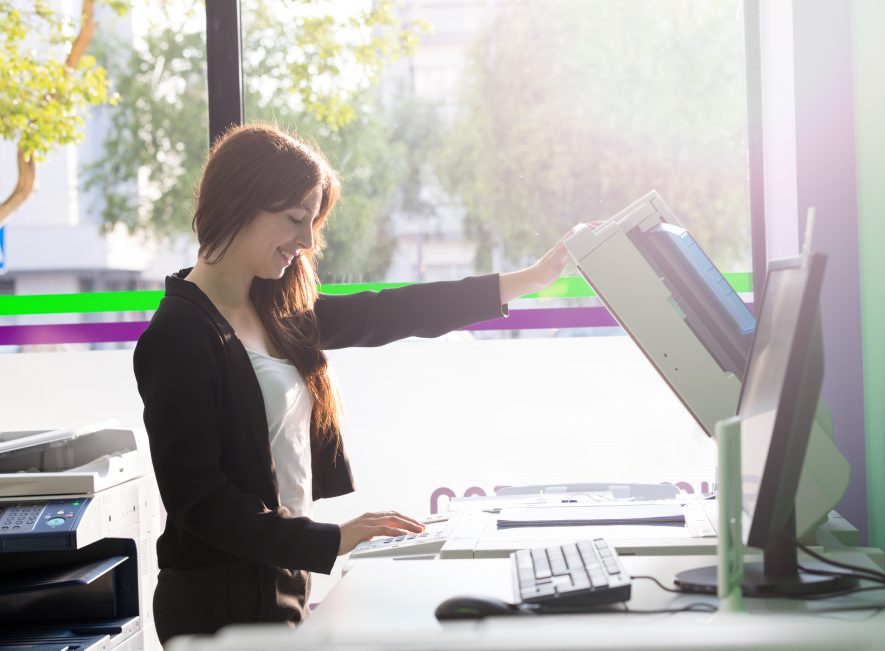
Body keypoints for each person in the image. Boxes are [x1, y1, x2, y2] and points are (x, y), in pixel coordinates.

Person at [133, 123, 573, 643]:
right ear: (239, 203)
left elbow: (390, 312)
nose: (308, 241)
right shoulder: (178, 337)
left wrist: (529, 280)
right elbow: (201, 503)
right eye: (296, 219)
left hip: (280, 574)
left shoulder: (273, 308)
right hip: (219, 598)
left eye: (313, 221)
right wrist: (333, 539)